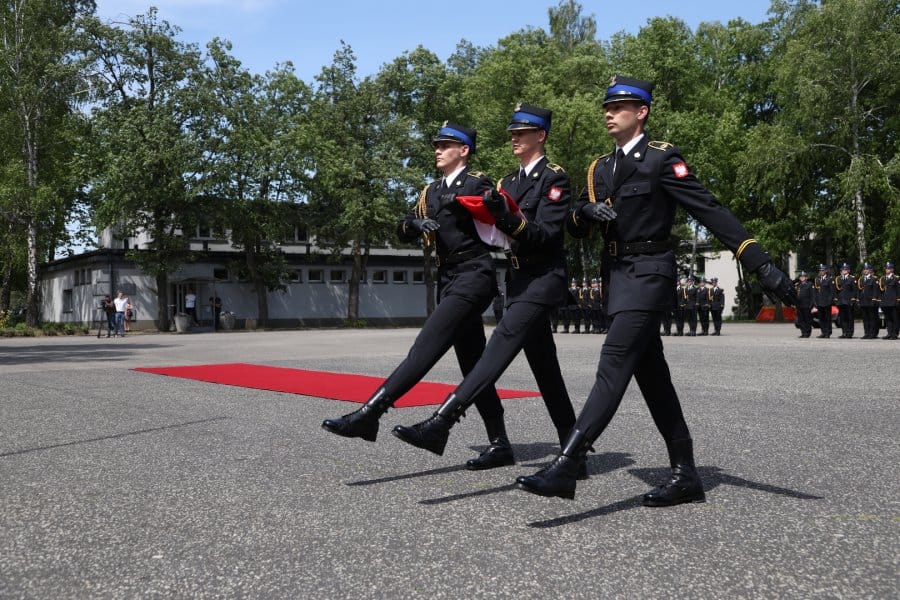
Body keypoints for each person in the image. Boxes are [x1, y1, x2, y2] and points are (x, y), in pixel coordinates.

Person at [514, 75, 797, 505]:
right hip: (617, 278)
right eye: (606, 108)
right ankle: (686, 475)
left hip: (649, 275)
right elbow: (573, 229)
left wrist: (758, 261)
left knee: (612, 363)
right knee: (653, 378)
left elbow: (709, 208)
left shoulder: (662, 160)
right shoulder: (599, 168)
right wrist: (583, 214)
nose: (609, 113)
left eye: (619, 107)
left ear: (641, 112)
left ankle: (567, 464)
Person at [391, 103, 580, 473]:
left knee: (498, 347)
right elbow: (494, 238)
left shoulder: (555, 179)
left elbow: (545, 235)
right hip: (516, 279)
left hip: (544, 278)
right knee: (546, 370)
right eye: (512, 132)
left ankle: (443, 420)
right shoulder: (507, 183)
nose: (514, 137)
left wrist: (507, 218)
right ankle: (572, 450)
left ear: (539, 136)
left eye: (521, 132)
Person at [322, 121, 513, 470]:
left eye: (445, 145)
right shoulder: (429, 192)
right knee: (473, 363)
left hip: (475, 275)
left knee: (426, 345)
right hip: (449, 280)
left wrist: (486, 203)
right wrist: (414, 225)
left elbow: (494, 211)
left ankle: (370, 413)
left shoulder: (478, 182)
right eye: (436, 145)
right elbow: (403, 225)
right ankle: (500, 444)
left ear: (464, 150)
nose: (437, 150)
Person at [857, 263, 880, 339]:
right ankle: (866, 333)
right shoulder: (861, 279)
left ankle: (872, 333)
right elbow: (859, 290)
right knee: (865, 318)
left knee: (872, 318)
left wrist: (874, 298)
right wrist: (858, 299)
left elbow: (875, 290)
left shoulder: (874, 279)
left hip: (871, 301)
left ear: (870, 270)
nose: (865, 270)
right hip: (863, 301)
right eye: (864, 269)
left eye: (867, 269)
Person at [834, 263, 857, 338]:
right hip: (841, 301)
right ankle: (844, 332)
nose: (844, 270)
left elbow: (854, 290)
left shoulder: (852, 278)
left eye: (846, 269)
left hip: (848, 301)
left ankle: (850, 333)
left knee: (849, 318)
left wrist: (853, 299)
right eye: (843, 269)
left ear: (849, 270)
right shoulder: (838, 279)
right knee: (842, 318)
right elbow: (836, 291)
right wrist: (836, 299)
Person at [813, 264, 835, 338]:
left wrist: (829, 301)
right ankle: (823, 332)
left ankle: (828, 332)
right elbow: (815, 291)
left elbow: (832, 292)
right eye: (820, 270)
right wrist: (815, 301)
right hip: (819, 302)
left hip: (826, 302)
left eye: (822, 270)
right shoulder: (817, 279)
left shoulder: (829, 279)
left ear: (826, 271)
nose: (821, 272)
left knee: (827, 318)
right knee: (821, 318)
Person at [878, 261, 898, 340]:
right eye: (886, 268)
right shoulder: (882, 278)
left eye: (888, 268)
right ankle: (889, 333)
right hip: (885, 302)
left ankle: (895, 333)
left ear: (892, 269)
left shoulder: (896, 278)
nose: (887, 269)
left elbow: (898, 290)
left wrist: (898, 300)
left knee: (894, 318)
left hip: (893, 301)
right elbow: (881, 291)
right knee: (888, 318)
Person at [795, 271, 814, 338]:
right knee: (800, 320)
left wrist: (811, 305)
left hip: (807, 305)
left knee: (807, 320)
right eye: (801, 276)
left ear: (806, 277)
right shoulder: (798, 285)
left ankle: (807, 333)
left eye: (803, 276)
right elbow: (796, 295)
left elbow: (812, 296)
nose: (802, 278)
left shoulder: (809, 284)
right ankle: (803, 332)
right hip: (799, 305)